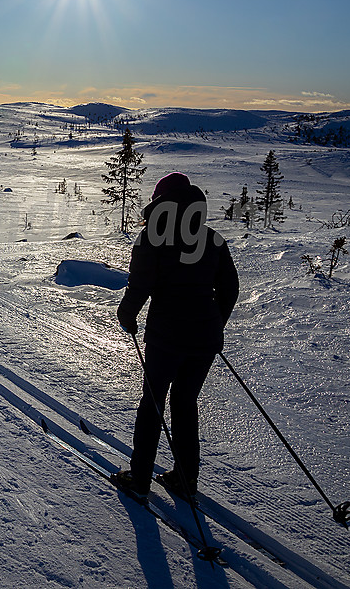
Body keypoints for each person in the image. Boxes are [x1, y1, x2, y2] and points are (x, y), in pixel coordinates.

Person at [114, 172, 239, 500]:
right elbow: (230, 288)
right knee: (185, 403)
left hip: (165, 339)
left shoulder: (151, 238)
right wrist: (215, 323)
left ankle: (139, 478)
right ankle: (185, 481)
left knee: (152, 404)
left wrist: (126, 315)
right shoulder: (212, 239)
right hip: (204, 342)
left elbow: (139, 285)